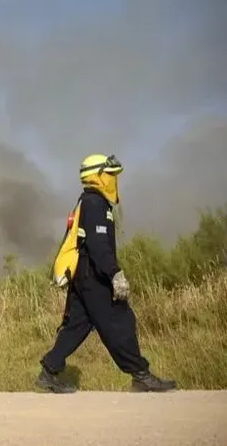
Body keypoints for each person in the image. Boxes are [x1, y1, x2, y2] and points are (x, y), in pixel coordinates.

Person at [36, 154, 177, 394]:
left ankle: (49, 372)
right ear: (98, 177)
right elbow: (98, 245)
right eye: (110, 175)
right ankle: (141, 375)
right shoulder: (96, 204)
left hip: (84, 276)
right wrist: (114, 274)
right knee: (120, 321)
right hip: (94, 277)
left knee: (77, 325)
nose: (114, 180)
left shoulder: (87, 201)